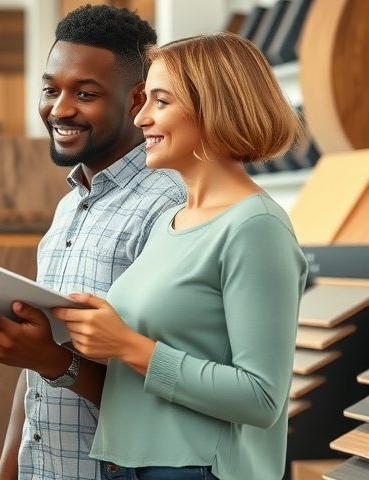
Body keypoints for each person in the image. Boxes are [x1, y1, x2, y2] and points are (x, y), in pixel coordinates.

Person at [0, 4, 186, 480]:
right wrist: (7, 471)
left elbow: (169, 385)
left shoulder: (169, 206)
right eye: (51, 89)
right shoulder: (70, 205)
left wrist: (51, 361)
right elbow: (34, 371)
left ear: (137, 101)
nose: (59, 108)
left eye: (85, 93)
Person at [50, 32, 307, 480]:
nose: (142, 117)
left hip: (195, 470)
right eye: (144, 99)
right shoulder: (169, 221)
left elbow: (262, 398)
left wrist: (128, 345)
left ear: (216, 108)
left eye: (161, 101)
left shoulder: (256, 226)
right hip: (127, 466)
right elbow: (150, 362)